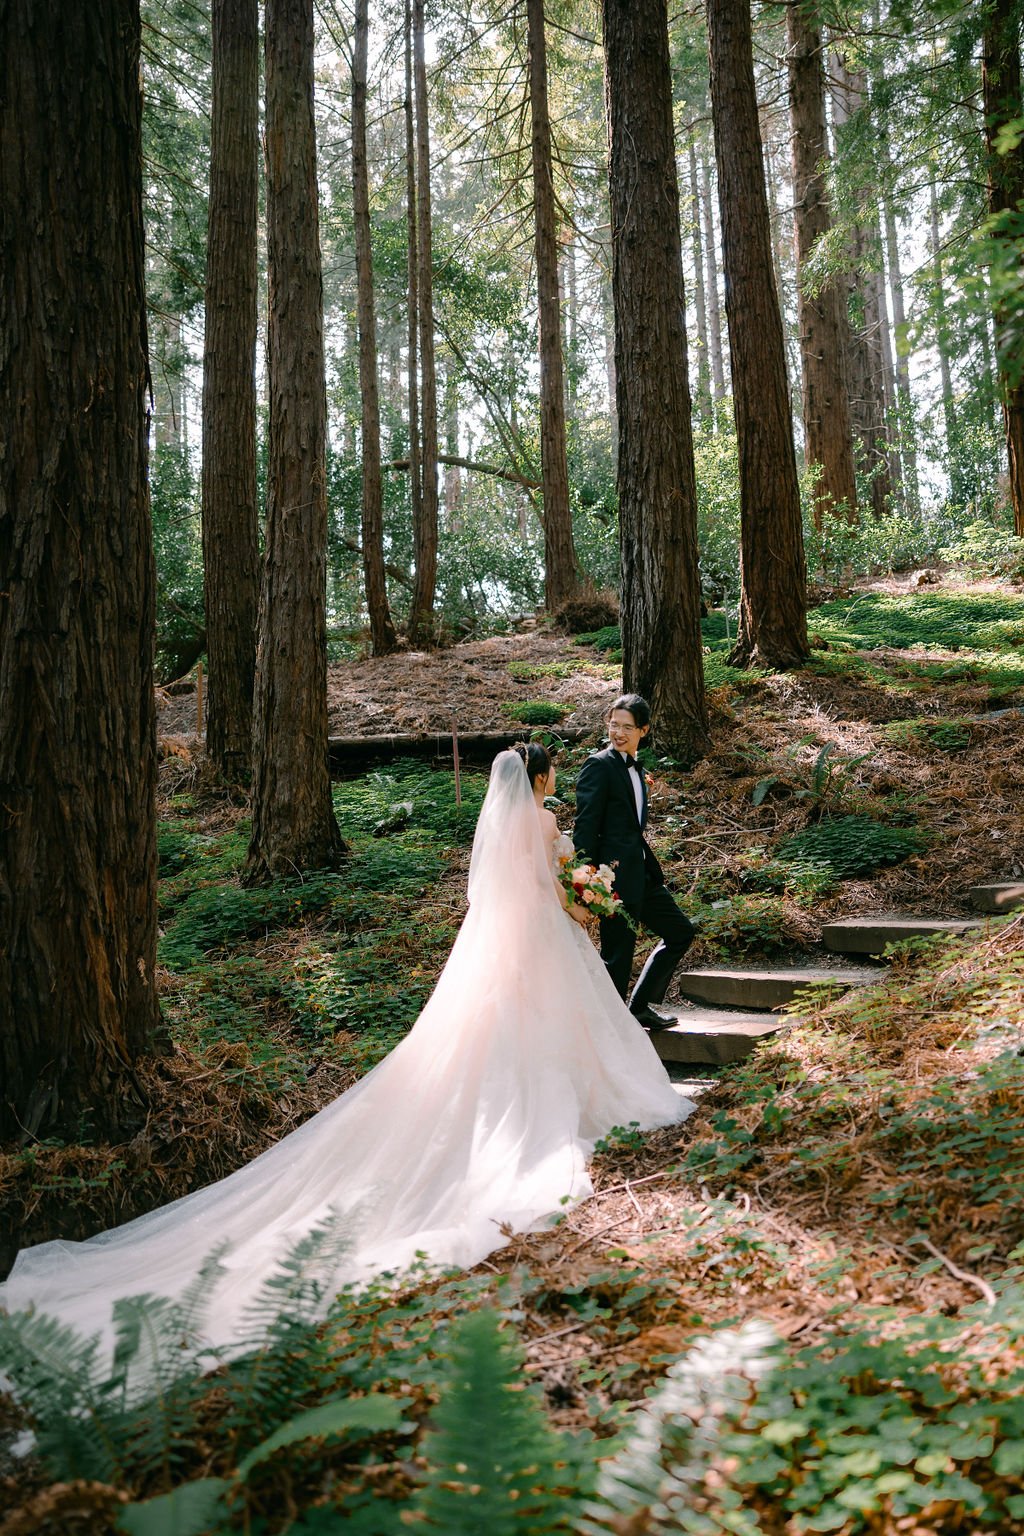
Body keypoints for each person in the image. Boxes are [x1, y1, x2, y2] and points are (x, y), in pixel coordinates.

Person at [0, 746, 692, 1361]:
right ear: (540, 780)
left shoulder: (504, 830)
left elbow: (499, 889)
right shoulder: (546, 826)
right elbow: (563, 885)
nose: (553, 784)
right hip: (546, 940)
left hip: (502, 945)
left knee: (505, 1026)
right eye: (550, 775)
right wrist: (586, 906)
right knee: (558, 1020)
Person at [574, 693, 696, 1030]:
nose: (618, 733)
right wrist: (585, 882)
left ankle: (639, 1006)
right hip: (611, 879)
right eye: (614, 725)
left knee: (680, 932)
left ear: (643, 730)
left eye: (627, 727)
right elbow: (584, 827)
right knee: (618, 955)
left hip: (642, 874)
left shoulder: (636, 769)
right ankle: (608, 1032)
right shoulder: (598, 766)